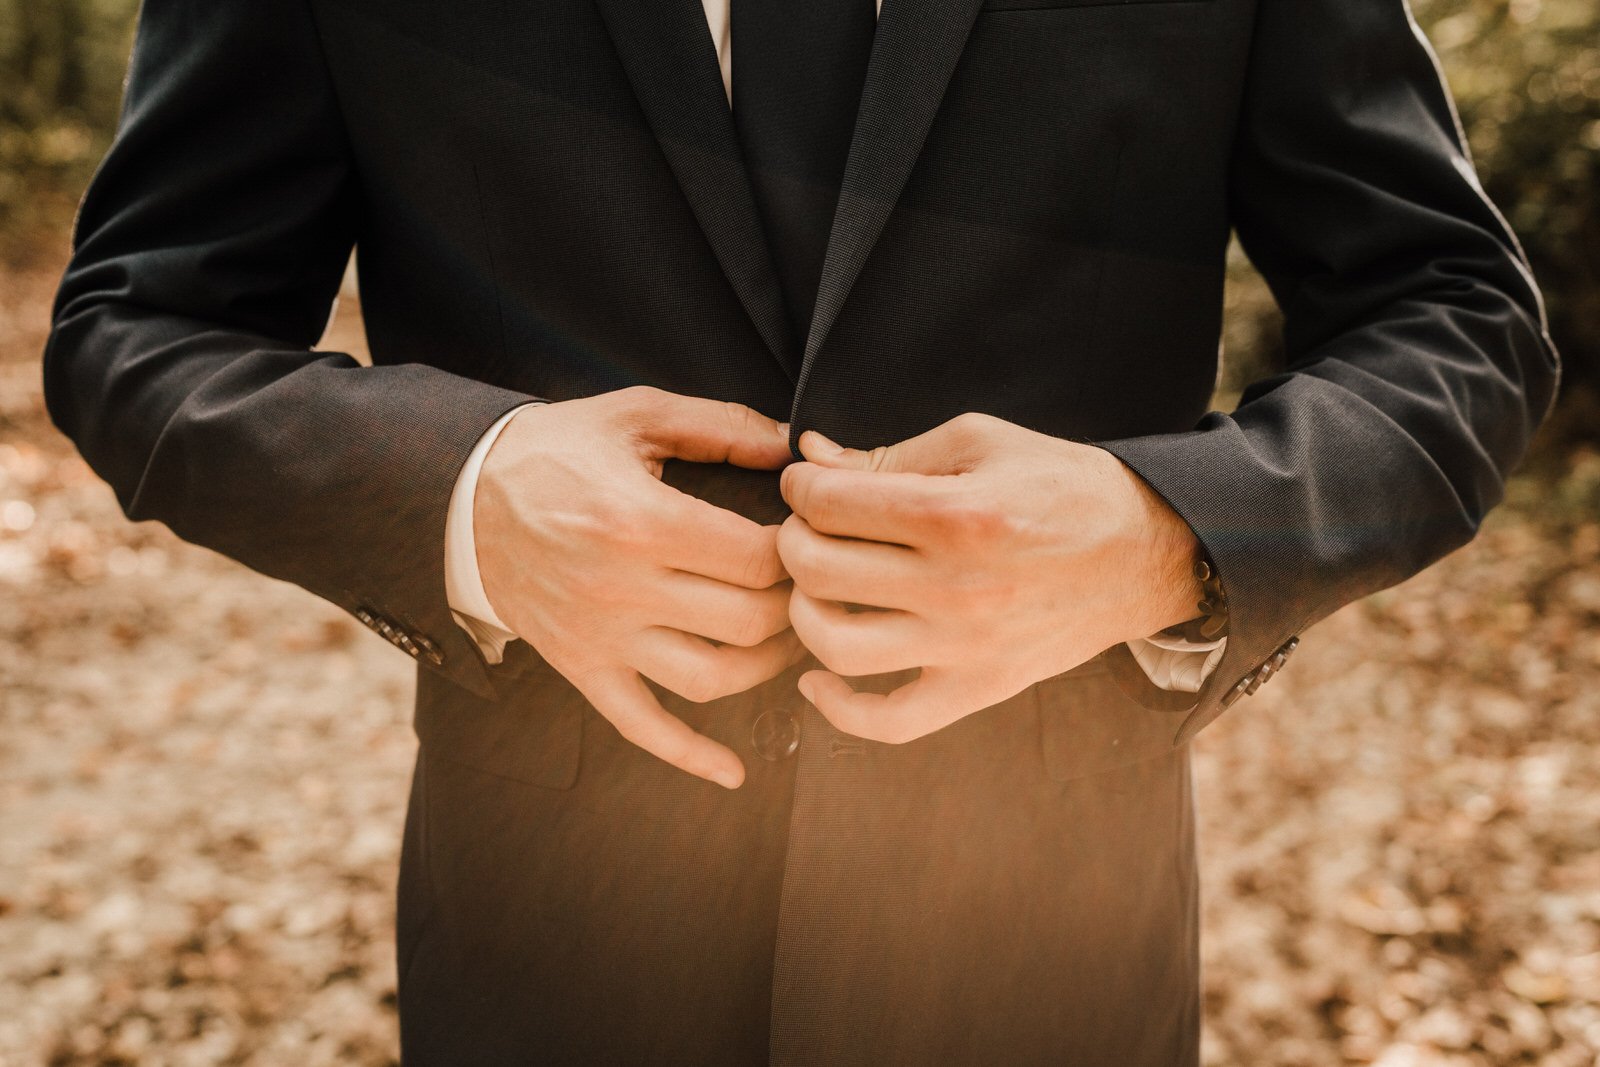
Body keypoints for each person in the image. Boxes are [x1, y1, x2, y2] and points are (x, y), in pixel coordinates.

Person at [42, 0, 1557, 1062]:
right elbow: (139, 331)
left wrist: (1167, 529)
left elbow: (1458, 321)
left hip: (1046, 967)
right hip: (554, 960)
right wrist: (469, 489)